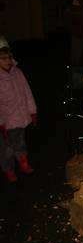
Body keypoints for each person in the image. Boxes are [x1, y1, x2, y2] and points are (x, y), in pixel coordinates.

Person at [0, 40, 37, 183]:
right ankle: (8, 169)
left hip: (19, 118)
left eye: (9, 57)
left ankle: (23, 163)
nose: (8, 61)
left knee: (20, 143)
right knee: (6, 149)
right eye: (3, 59)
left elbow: (27, 92)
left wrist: (32, 111)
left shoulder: (17, 72)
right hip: (5, 122)